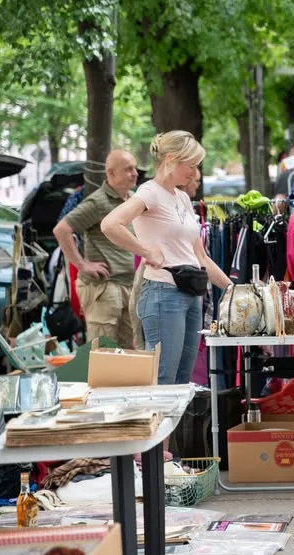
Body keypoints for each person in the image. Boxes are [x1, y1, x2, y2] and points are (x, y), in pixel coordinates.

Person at [102, 131, 233, 385]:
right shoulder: (149, 192)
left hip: (191, 295)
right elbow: (110, 224)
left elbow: (200, 256)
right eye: (192, 165)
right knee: (164, 381)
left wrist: (232, 289)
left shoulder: (182, 198)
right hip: (164, 294)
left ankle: (179, 426)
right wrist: (146, 250)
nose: (195, 173)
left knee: (182, 383)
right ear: (172, 158)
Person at [53, 150, 139, 346]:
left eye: (134, 168)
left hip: (129, 284)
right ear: (111, 173)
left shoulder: (132, 199)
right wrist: (82, 265)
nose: (134, 173)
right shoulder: (97, 201)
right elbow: (62, 230)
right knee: (104, 353)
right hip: (105, 286)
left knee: (128, 355)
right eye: (128, 169)